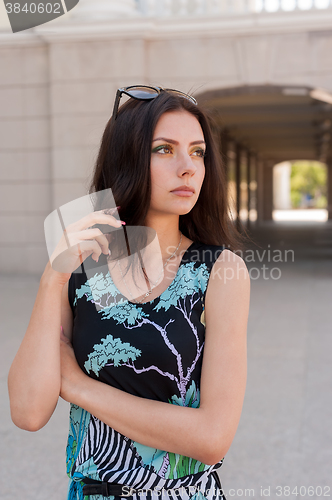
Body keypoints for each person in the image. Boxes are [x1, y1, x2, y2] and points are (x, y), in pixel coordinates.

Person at [8, 86, 250, 500]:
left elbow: (212, 438)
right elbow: (29, 412)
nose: (187, 167)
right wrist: (53, 276)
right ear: (127, 158)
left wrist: (78, 385)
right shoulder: (80, 271)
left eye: (197, 152)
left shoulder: (219, 271)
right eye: (164, 149)